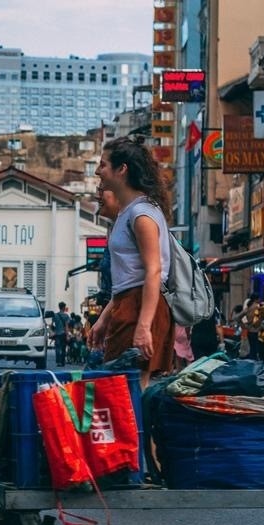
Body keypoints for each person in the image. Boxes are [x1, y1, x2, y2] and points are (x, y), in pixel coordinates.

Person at [88, 137, 175, 388]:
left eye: (103, 165)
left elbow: (153, 271)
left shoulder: (141, 214)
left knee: (128, 389)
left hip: (140, 307)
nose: (98, 171)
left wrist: (144, 326)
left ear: (122, 170)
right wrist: (104, 318)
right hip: (129, 304)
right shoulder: (130, 211)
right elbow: (129, 276)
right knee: (126, 390)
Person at [52, 302, 72, 366]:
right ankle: (63, 362)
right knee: (63, 348)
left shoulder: (55, 315)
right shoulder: (66, 316)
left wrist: (52, 332)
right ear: (63, 307)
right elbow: (66, 326)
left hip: (57, 334)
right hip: (63, 334)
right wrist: (68, 335)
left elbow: (52, 324)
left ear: (59, 307)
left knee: (57, 348)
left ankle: (58, 362)